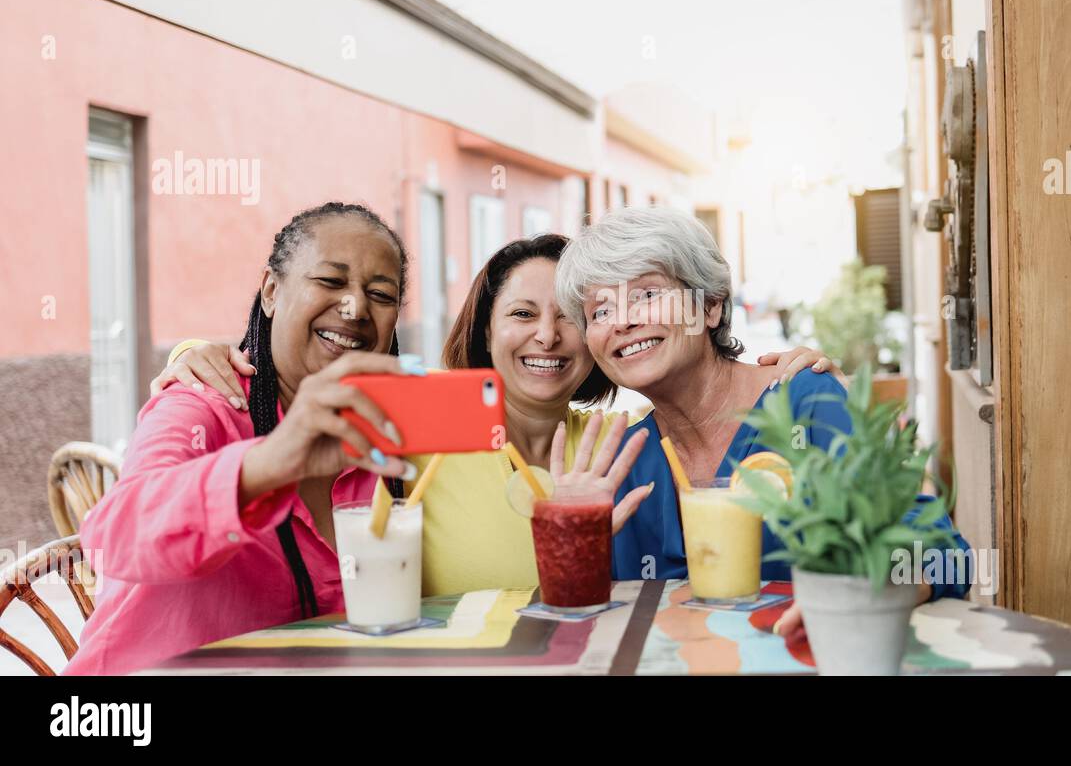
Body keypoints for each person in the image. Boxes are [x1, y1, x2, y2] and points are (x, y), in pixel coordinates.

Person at [155, 235, 840, 595]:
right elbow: (310, 384)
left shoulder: (616, 443)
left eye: (576, 317)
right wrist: (205, 352)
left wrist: (783, 370)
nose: (548, 336)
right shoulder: (427, 418)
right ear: (485, 332)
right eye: (521, 314)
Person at [555, 206, 971, 604]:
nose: (622, 321)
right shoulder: (621, 462)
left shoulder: (807, 403)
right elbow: (587, 616)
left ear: (712, 306)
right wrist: (573, 545)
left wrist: (861, 596)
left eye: (646, 294)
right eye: (601, 310)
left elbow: (944, 557)